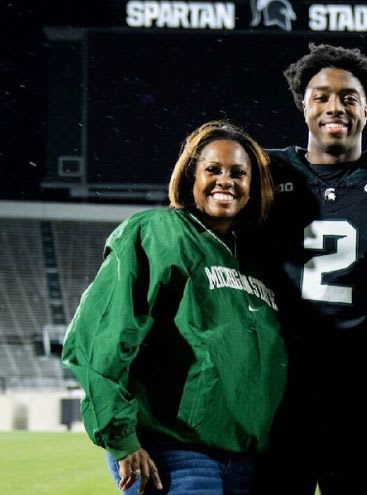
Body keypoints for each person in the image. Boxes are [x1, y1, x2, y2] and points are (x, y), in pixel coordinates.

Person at [61, 120, 287, 495]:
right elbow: (101, 337)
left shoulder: (256, 260)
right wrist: (121, 438)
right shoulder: (156, 231)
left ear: (254, 184)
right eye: (212, 169)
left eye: (238, 172)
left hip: (245, 460)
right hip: (173, 450)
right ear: (190, 178)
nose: (225, 180)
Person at [252, 43, 367, 495]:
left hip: (361, 387)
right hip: (282, 384)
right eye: (321, 96)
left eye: (348, 97)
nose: (335, 107)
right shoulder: (264, 169)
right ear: (303, 105)